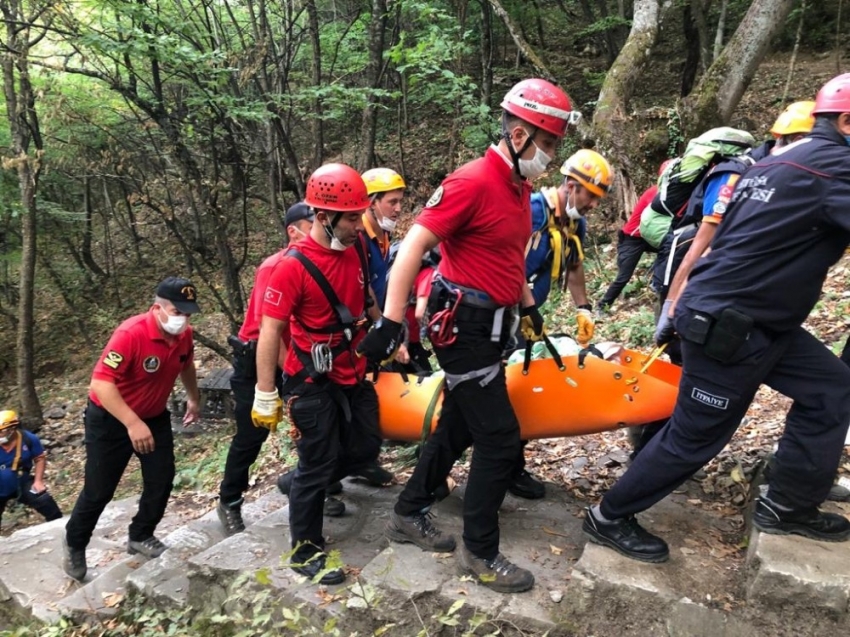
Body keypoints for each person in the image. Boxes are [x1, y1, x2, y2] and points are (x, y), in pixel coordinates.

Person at [583, 74, 850, 564]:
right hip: (732, 326)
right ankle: (608, 515)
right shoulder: (836, 168)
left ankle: (789, 503)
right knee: (695, 436)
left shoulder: (767, 166)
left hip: (761, 321)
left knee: (831, 388)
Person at [358, 78, 580, 593]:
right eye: (547, 145)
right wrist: (391, 323)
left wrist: (529, 309)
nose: (550, 157)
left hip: (494, 324)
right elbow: (411, 247)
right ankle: (480, 551)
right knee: (500, 439)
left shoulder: (517, 187)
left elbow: (506, 255)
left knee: (458, 425)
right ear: (521, 135)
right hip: (463, 328)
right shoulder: (473, 181)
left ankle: (409, 511)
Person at [250, 163, 385, 586]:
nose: (358, 225)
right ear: (323, 217)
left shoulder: (358, 245)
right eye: (350, 218)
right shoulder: (290, 267)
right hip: (310, 377)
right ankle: (305, 548)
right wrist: (265, 393)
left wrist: (384, 331)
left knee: (365, 447)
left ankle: (300, 480)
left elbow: (367, 298)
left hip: (351, 367)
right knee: (318, 458)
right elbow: (269, 331)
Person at [63, 277, 201, 581]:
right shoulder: (131, 333)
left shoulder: (184, 336)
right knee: (99, 489)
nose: (183, 320)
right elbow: (101, 382)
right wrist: (132, 423)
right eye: (178, 313)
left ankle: (141, 534)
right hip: (110, 420)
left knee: (161, 478)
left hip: (153, 416)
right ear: (158, 309)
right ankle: (74, 542)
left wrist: (193, 397)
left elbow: (186, 364)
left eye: (188, 314)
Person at [512, 149, 613, 499]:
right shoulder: (532, 212)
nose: (593, 205)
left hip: (530, 317)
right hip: (503, 312)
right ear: (571, 186)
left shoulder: (574, 223)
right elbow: (506, 261)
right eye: (591, 196)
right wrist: (521, 311)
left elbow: (573, 267)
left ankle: (512, 466)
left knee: (520, 392)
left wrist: (583, 308)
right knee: (499, 394)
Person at [216, 202, 317, 537]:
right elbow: (267, 329)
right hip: (259, 361)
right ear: (294, 230)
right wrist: (285, 376)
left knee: (312, 425)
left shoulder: (317, 262)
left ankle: (311, 487)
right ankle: (229, 500)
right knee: (251, 435)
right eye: (312, 224)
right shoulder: (272, 267)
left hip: (297, 361)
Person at [596, 159, 672, 313]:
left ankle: (656, 274)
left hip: (650, 237)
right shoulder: (656, 191)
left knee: (672, 246)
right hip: (633, 238)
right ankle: (602, 306)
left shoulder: (670, 192)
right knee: (623, 277)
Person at [0, 410, 62, 530]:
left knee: (46, 502)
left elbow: (39, 458)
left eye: (1, 432)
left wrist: (38, 481)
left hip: (21, 481)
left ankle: (60, 530)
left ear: (12, 429)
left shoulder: (28, 439)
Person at [361, 168, 406, 309]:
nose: (398, 208)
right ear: (372, 203)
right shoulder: (358, 238)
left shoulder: (384, 232)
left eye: (400, 201)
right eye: (392, 202)